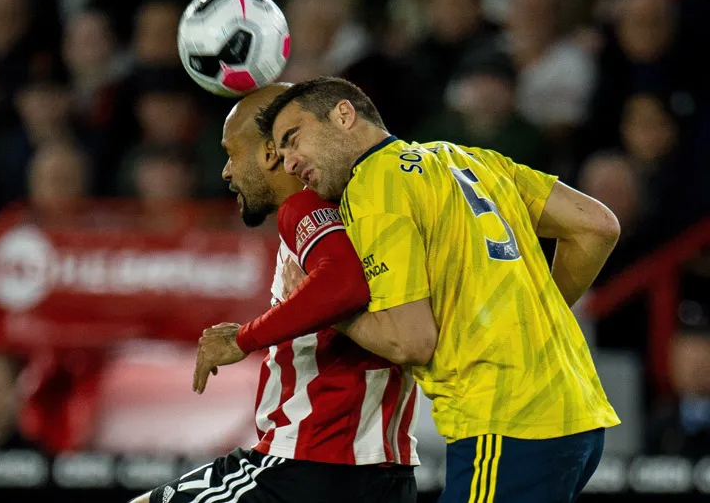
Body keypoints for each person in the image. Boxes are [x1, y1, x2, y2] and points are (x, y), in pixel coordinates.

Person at [255, 76, 622, 503]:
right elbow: (595, 226)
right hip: (578, 411)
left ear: (343, 114)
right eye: (281, 155)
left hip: (504, 420)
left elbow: (411, 341)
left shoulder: (374, 185)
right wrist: (532, 315)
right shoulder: (467, 159)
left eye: (293, 139)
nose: (291, 162)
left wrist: (327, 309)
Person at [130, 84, 427, 503]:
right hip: (383, 473)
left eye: (231, 153)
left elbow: (343, 283)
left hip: (309, 466)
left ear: (270, 155)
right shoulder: (357, 210)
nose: (226, 171)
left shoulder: (301, 208)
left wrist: (241, 339)